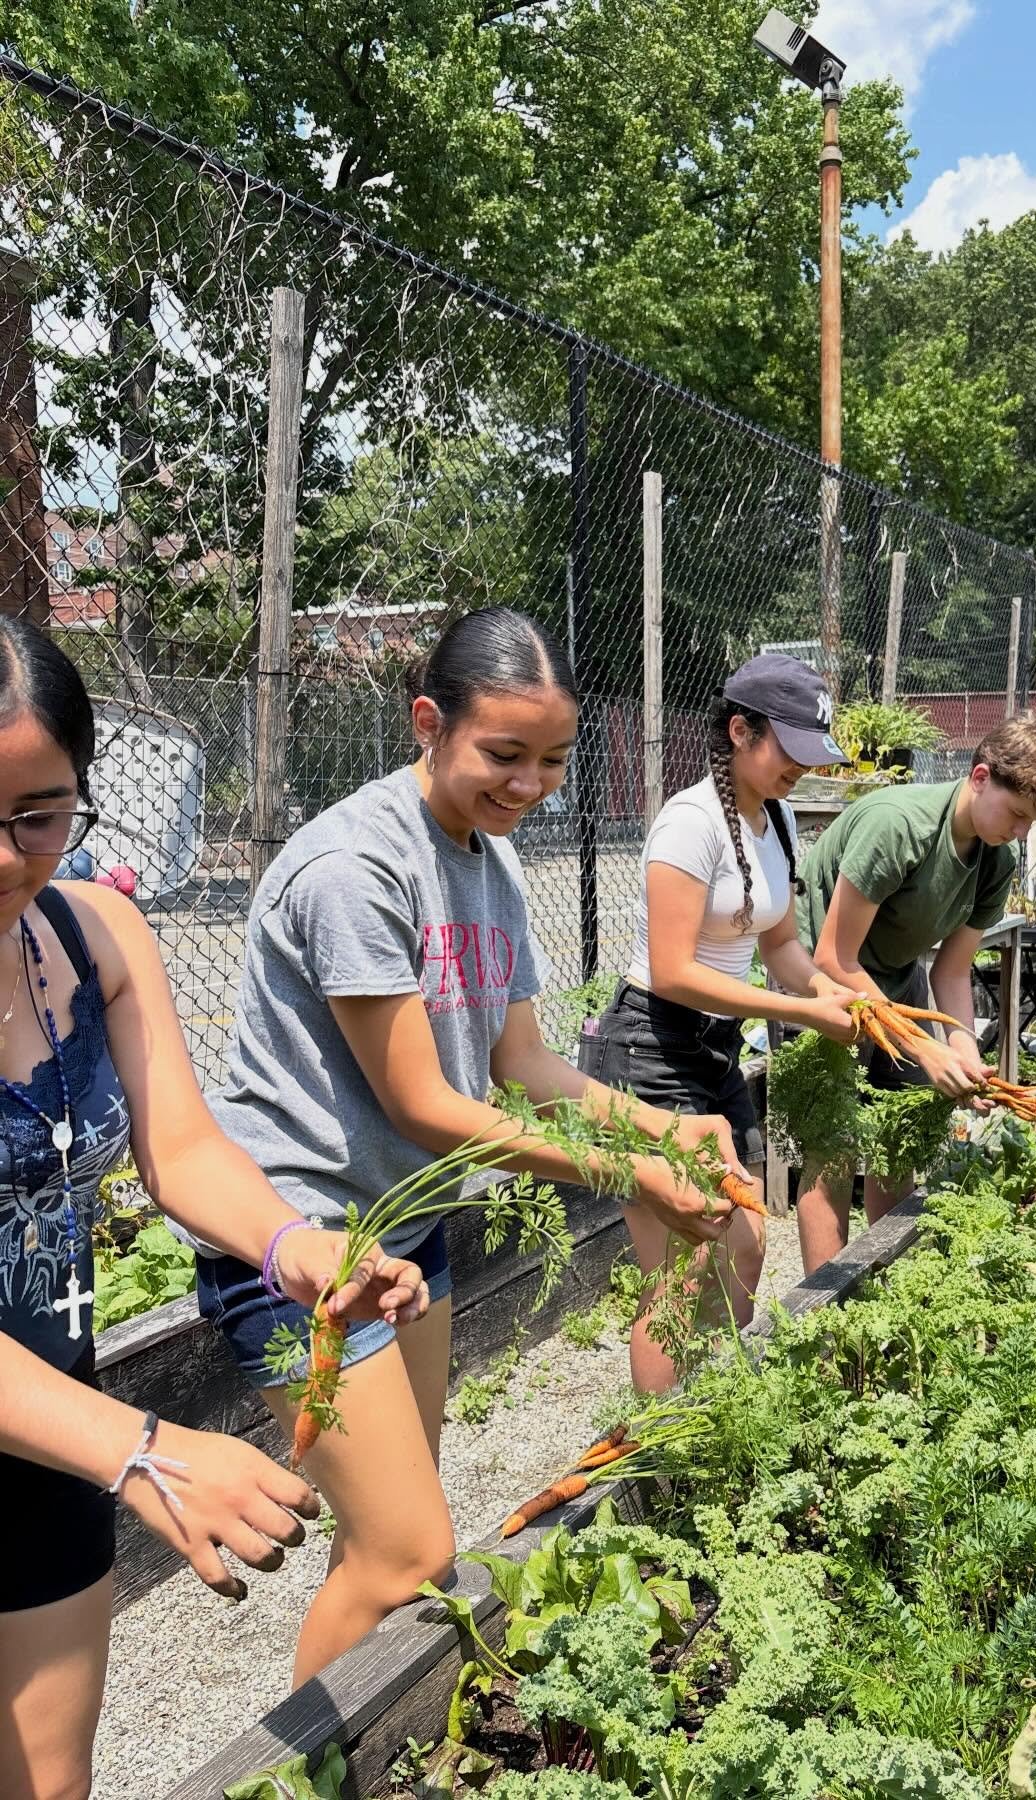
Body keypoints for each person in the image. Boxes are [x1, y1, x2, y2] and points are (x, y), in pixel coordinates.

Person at [198, 607, 752, 1687]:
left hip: (408, 1234)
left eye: (552, 760)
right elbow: (420, 1104)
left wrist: (660, 1126)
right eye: (504, 754)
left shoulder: (487, 866)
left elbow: (524, 1069)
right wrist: (626, 1173)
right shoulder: (356, 867)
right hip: (297, 1245)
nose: (530, 783)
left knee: (393, 1544)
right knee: (406, 1552)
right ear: (428, 722)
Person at [0, 619, 426, 1800]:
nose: (5, 858)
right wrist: (141, 1448)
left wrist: (293, 1242)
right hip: (91, 1438)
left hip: (43, 1445)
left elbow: (180, 1147)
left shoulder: (95, 936)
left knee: (48, 1782)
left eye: (39, 815)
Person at [581, 654, 861, 1390]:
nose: (802, 768)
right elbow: (675, 970)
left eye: (812, 752)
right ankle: (663, 1454)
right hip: (651, 1046)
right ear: (740, 731)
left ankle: (712, 1405)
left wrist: (835, 993)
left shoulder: (781, 821)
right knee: (682, 1268)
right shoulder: (689, 821)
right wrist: (798, 1009)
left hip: (719, 1054)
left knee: (748, 1241)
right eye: (790, 750)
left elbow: (781, 947)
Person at [794, 710, 1036, 1272]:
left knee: (901, 1132)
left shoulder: (996, 860)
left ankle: (884, 1290)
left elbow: (950, 973)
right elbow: (834, 956)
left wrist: (966, 1059)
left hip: (894, 979)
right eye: (1018, 815)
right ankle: (827, 1330)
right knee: (832, 1151)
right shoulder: (898, 827)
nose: (1022, 833)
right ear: (980, 777)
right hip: (819, 980)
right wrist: (926, 1047)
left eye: (1032, 825)